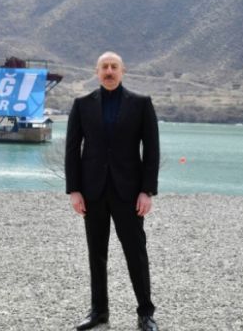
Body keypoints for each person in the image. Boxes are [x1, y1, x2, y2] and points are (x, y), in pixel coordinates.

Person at [65, 51, 160, 331]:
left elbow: (152, 150)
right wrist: (74, 190)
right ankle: (99, 311)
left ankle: (145, 313)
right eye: (104, 67)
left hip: (128, 193)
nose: (109, 71)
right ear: (97, 72)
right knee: (96, 253)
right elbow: (72, 150)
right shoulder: (82, 105)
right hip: (92, 192)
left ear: (122, 71)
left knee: (136, 253)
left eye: (114, 67)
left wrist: (147, 191)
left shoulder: (141, 104)